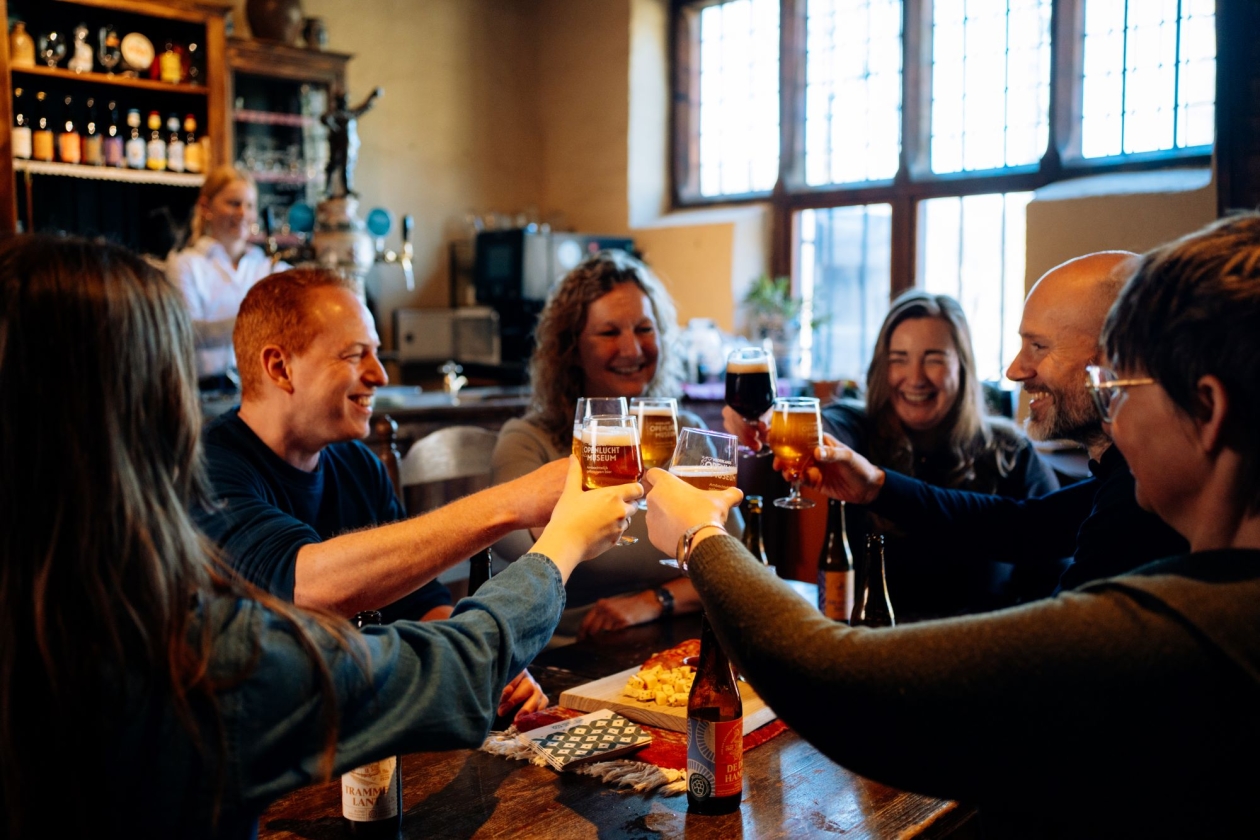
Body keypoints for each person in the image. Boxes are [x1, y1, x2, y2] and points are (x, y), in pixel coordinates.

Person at [0, 234, 640, 838]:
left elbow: (416, 612)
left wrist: (491, 659)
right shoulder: (189, 646)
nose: (380, 375)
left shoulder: (67, 616)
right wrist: (557, 537)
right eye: (172, 380)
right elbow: (404, 642)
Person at [643, 212, 1260, 835]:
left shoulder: (1189, 620)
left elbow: (837, 682)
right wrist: (878, 484)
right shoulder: (1149, 518)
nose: (1112, 416)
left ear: (1206, 409)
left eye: (1121, 386)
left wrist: (701, 538)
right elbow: (1024, 525)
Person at [195, 267, 568, 718]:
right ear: (279, 367)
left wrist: (491, 667)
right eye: (356, 355)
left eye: (376, 353)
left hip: (357, 731)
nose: (380, 375)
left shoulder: (358, 465)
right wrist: (512, 503)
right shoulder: (207, 470)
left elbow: (419, 603)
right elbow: (303, 584)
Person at [749, 252, 1187, 599]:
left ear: (1115, 359)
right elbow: (1022, 528)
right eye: (899, 360)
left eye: (1038, 346)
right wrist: (874, 486)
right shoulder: (1129, 477)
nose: (1016, 370)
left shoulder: (1148, 490)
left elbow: (1061, 647)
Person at [728, 290, 1059, 617]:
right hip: (873, 651)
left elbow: (1053, 577)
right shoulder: (858, 425)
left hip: (981, 656)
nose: (915, 379)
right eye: (899, 359)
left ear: (963, 366)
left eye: (933, 358)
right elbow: (821, 429)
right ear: (881, 368)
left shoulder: (1012, 454)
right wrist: (764, 420)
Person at [491, 250, 738, 640]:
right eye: (609, 333)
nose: (632, 349)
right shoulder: (529, 439)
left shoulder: (686, 432)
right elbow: (514, 554)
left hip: (676, 643)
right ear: (570, 348)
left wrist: (654, 601)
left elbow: (733, 566)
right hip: (566, 655)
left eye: (644, 329)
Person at [167, 165, 289, 390]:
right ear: (206, 207)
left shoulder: (270, 268)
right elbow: (188, 333)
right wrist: (258, 321)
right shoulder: (185, 264)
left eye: (250, 205)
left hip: (266, 392)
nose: (243, 213)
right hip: (206, 393)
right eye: (234, 203)